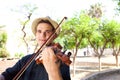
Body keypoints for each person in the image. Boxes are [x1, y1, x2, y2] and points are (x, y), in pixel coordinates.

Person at [0, 17, 71, 80]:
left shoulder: (60, 61)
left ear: (54, 36)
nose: (42, 35)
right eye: (39, 31)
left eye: (47, 32)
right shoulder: (26, 60)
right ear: (36, 35)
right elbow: (7, 75)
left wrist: (54, 70)